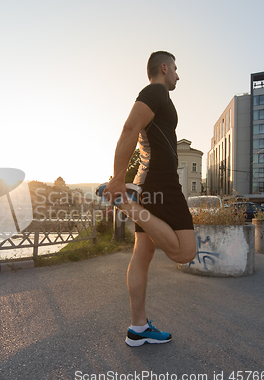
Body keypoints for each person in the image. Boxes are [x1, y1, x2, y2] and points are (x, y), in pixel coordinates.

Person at [103, 51, 196, 347]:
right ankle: (126, 204)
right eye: (176, 70)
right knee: (184, 253)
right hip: (161, 182)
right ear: (164, 68)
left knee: (142, 254)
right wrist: (118, 178)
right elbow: (130, 128)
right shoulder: (155, 91)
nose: (178, 76)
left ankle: (138, 327)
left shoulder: (159, 95)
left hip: (150, 179)